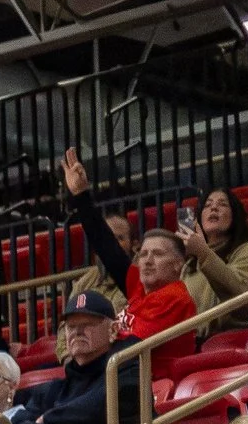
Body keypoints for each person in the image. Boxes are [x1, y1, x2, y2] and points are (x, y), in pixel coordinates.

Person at [61, 146, 198, 357]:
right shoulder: (139, 289)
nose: (147, 260)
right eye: (143, 254)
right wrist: (81, 196)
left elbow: (132, 345)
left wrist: (97, 338)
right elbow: (107, 248)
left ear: (178, 264)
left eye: (158, 254)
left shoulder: (174, 297)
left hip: (149, 383)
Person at [14, 291, 141, 424]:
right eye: (71, 326)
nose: (77, 332)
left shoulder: (128, 367)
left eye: (87, 324)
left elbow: (100, 406)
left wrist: (48, 417)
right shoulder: (55, 389)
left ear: (113, 330)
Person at [179, 187, 248, 333]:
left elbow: (241, 296)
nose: (214, 208)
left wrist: (203, 253)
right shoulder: (189, 264)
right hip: (193, 343)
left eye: (222, 204)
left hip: (236, 338)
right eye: (207, 205)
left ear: (235, 215)